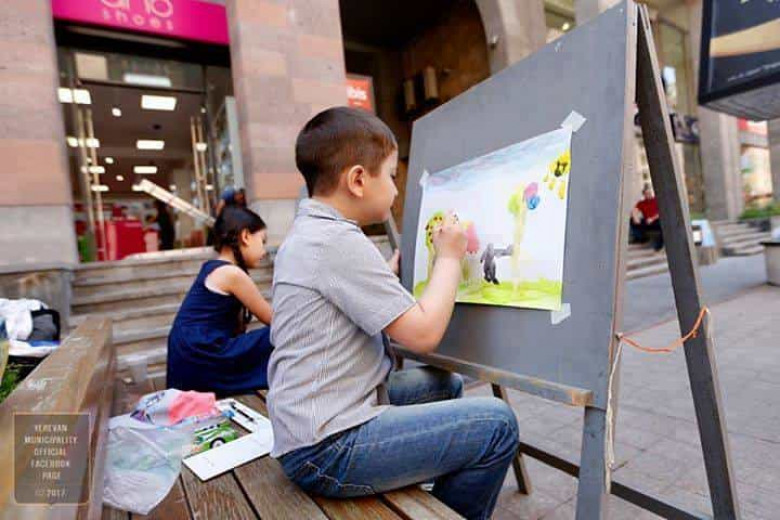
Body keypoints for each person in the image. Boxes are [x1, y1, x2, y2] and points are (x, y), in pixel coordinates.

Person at [267, 107, 518, 520]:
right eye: (391, 176)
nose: (397, 191)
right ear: (358, 180)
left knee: (444, 384)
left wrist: (383, 275)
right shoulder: (336, 243)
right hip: (327, 448)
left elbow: (338, 294)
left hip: (310, 427)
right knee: (498, 425)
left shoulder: (310, 234)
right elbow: (423, 335)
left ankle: (428, 491)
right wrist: (449, 256)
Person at [167, 206, 274, 396]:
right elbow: (274, 320)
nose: (264, 251)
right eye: (262, 241)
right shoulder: (231, 273)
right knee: (281, 334)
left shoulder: (213, 267)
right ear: (245, 236)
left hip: (189, 359)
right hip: (202, 357)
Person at [630, 185, 663, 251]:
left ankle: (659, 245)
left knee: (663, 224)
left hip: (656, 220)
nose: (649, 194)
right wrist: (635, 217)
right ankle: (641, 238)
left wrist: (652, 219)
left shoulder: (656, 200)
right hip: (647, 222)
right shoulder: (642, 203)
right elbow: (634, 210)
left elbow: (662, 212)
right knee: (632, 220)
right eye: (647, 193)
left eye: (649, 193)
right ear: (644, 195)